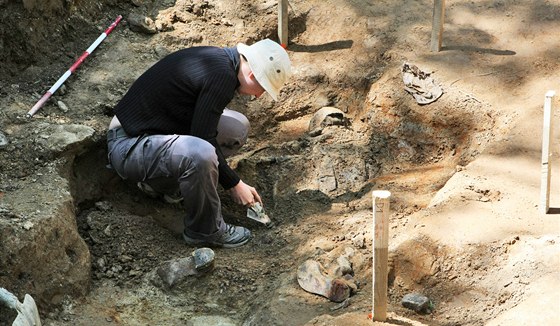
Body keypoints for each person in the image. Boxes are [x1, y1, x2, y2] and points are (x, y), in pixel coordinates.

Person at [106, 39, 292, 248]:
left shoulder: (222, 63)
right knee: (200, 153)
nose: (259, 96)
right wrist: (234, 183)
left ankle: (167, 186)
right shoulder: (221, 76)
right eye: (263, 88)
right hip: (129, 145)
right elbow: (204, 139)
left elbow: (202, 127)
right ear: (252, 75)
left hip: (152, 136)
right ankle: (205, 231)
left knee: (236, 128)